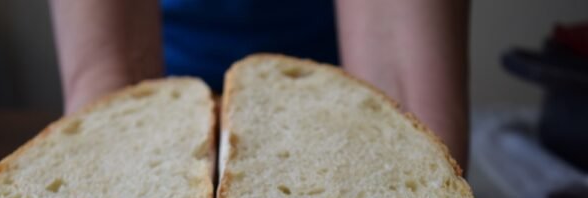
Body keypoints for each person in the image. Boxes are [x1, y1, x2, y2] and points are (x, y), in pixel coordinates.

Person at [50, 0, 469, 166]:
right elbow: (111, 68)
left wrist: (416, 167)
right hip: (165, 77)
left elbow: (399, 62)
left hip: (333, 94)